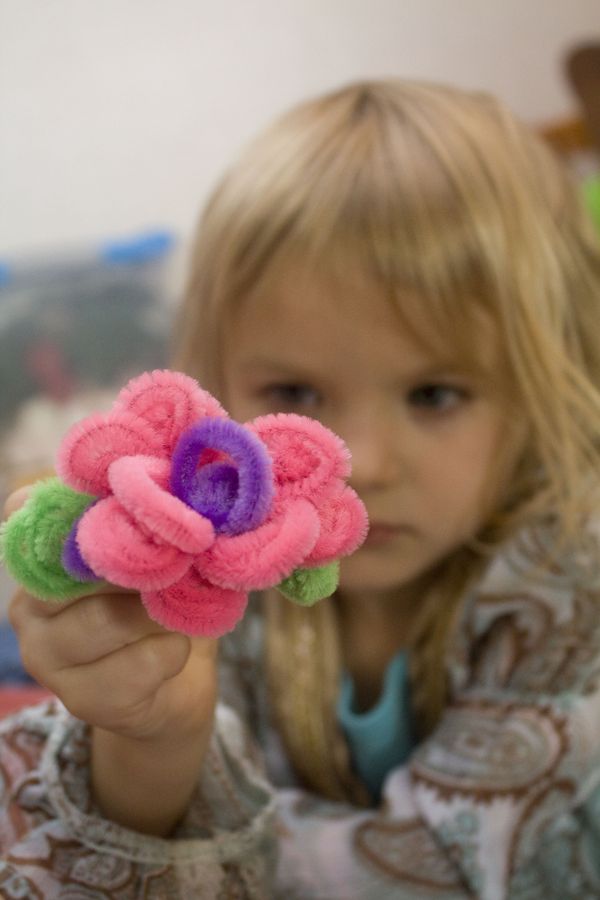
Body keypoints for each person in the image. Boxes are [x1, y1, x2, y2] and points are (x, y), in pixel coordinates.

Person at [2, 78, 600, 898]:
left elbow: (453, 871)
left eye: (435, 395)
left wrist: (220, 832)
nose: (367, 463)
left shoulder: (570, 579)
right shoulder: (216, 580)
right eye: (295, 393)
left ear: (543, 388)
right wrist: (152, 743)